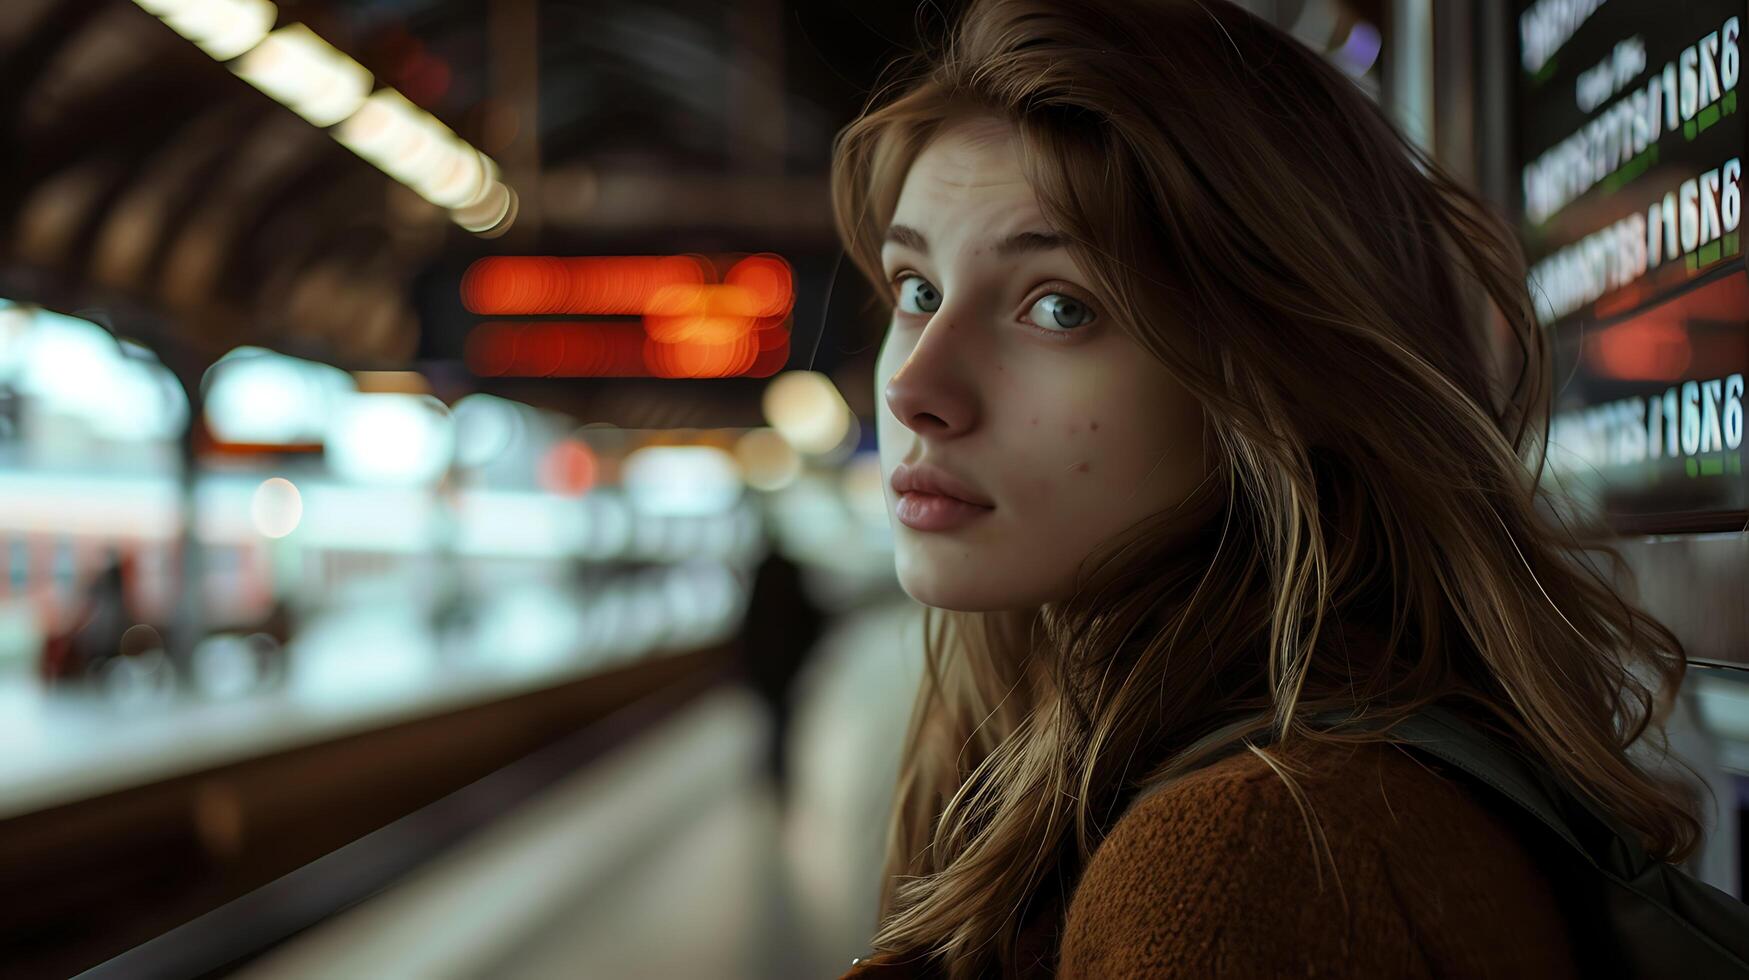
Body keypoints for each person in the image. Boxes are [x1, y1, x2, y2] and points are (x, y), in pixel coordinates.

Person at [829, 1, 1707, 977]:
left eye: (1059, 304)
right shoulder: (1240, 778)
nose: (913, 387)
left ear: (1273, 376)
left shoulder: (1253, 866)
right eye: (918, 289)